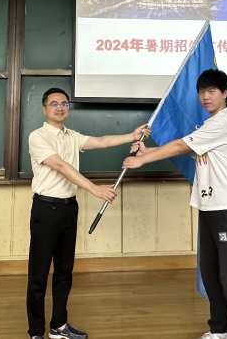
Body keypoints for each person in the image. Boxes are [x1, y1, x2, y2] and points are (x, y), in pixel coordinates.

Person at [123, 69, 227, 339]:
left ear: (225, 93)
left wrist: (141, 160)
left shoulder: (223, 122)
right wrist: (148, 150)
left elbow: (181, 146)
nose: (206, 97)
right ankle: (218, 330)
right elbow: (189, 147)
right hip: (209, 207)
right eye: (202, 92)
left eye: (212, 91)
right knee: (211, 273)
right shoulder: (208, 126)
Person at [27, 87, 150, 339]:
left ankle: (59, 326)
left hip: (68, 208)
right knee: (38, 276)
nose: (60, 107)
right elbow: (61, 166)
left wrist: (132, 135)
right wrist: (94, 189)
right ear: (44, 109)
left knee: (64, 272)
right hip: (45, 210)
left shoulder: (71, 136)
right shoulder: (38, 136)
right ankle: (36, 332)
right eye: (54, 104)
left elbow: (102, 141)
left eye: (64, 103)